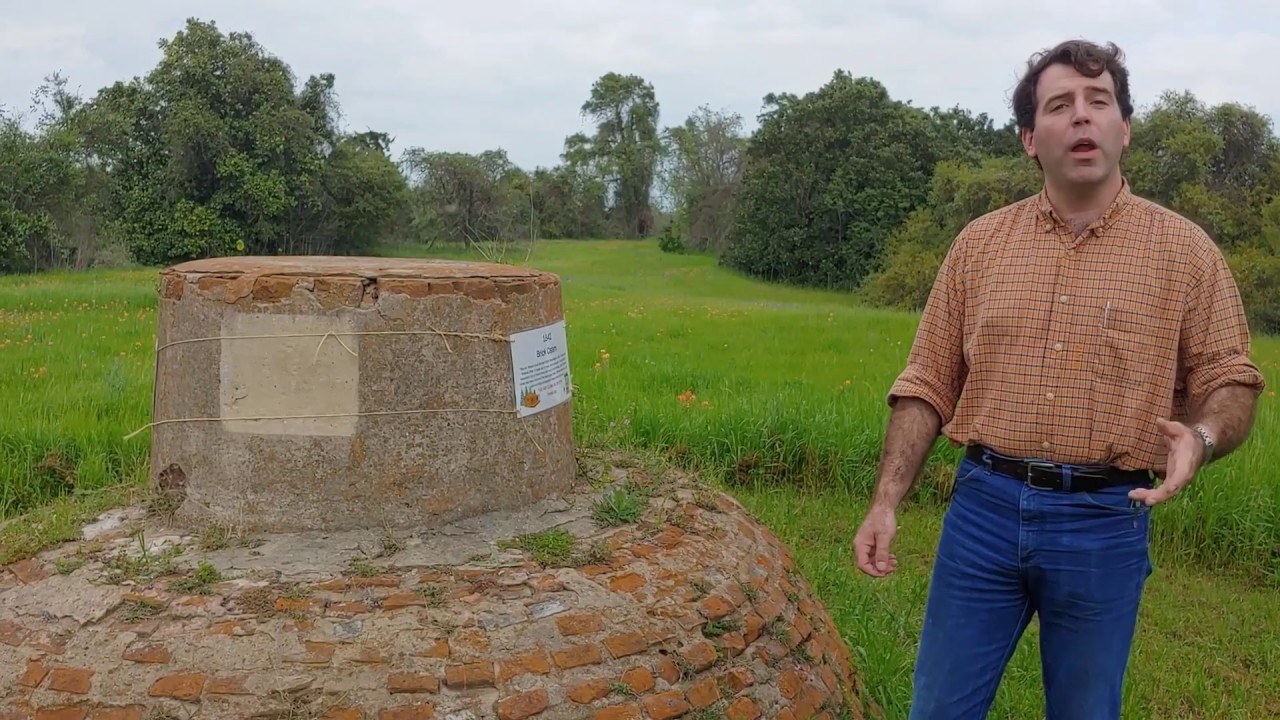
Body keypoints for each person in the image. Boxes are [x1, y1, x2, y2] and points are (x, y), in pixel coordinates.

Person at [851, 39, 1266, 719]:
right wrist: (886, 501)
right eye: (1060, 105)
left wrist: (1202, 435)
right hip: (982, 509)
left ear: (1124, 129)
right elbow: (927, 379)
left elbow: (1232, 377)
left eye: (1099, 102)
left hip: (1106, 519)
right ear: (1028, 139)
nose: (1082, 117)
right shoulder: (980, 245)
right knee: (938, 709)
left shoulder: (1186, 253)